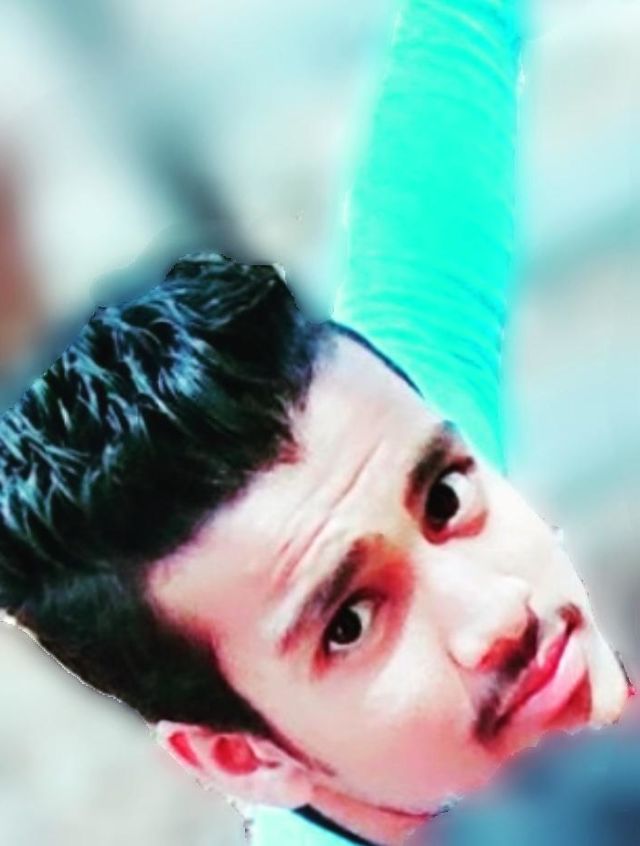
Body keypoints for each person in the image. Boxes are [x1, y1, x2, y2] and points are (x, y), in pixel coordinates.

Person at [0, 4, 631, 846]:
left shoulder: (375, 430)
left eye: (444, 500)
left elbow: (459, 30)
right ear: (241, 757)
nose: (500, 613)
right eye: (350, 626)